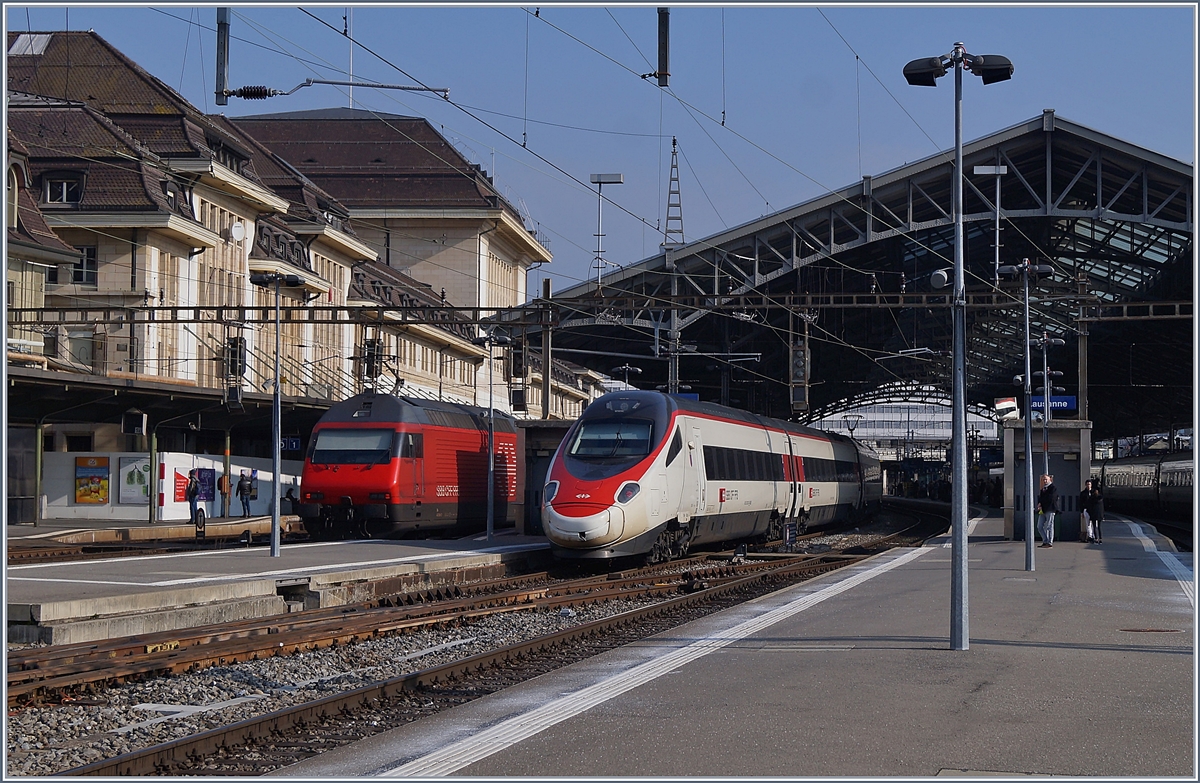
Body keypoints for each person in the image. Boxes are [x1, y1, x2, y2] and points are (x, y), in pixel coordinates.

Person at [1037, 474, 1059, 548]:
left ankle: (1049, 542)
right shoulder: (1043, 489)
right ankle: (1045, 540)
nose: (1045, 481)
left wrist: (1042, 501)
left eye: (1046, 479)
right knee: (1039, 526)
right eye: (1043, 480)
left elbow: (1051, 498)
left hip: (1050, 509)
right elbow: (1040, 498)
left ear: (1050, 479)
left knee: (1049, 526)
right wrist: (1039, 504)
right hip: (1043, 509)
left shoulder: (1053, 488)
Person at [1080, 479, 1105, 544]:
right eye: (1087, 484)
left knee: (1095, 525)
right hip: (1086, 509)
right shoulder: (1083, 493)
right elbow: (1080, 503)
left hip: (1093, 510)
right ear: (1085, 485)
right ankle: (1090, 536)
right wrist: (1082, 512)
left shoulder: (1094, 492)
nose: (1088, 485)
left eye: (1089, 484)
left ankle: (1095, 537)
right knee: (1088, 524)